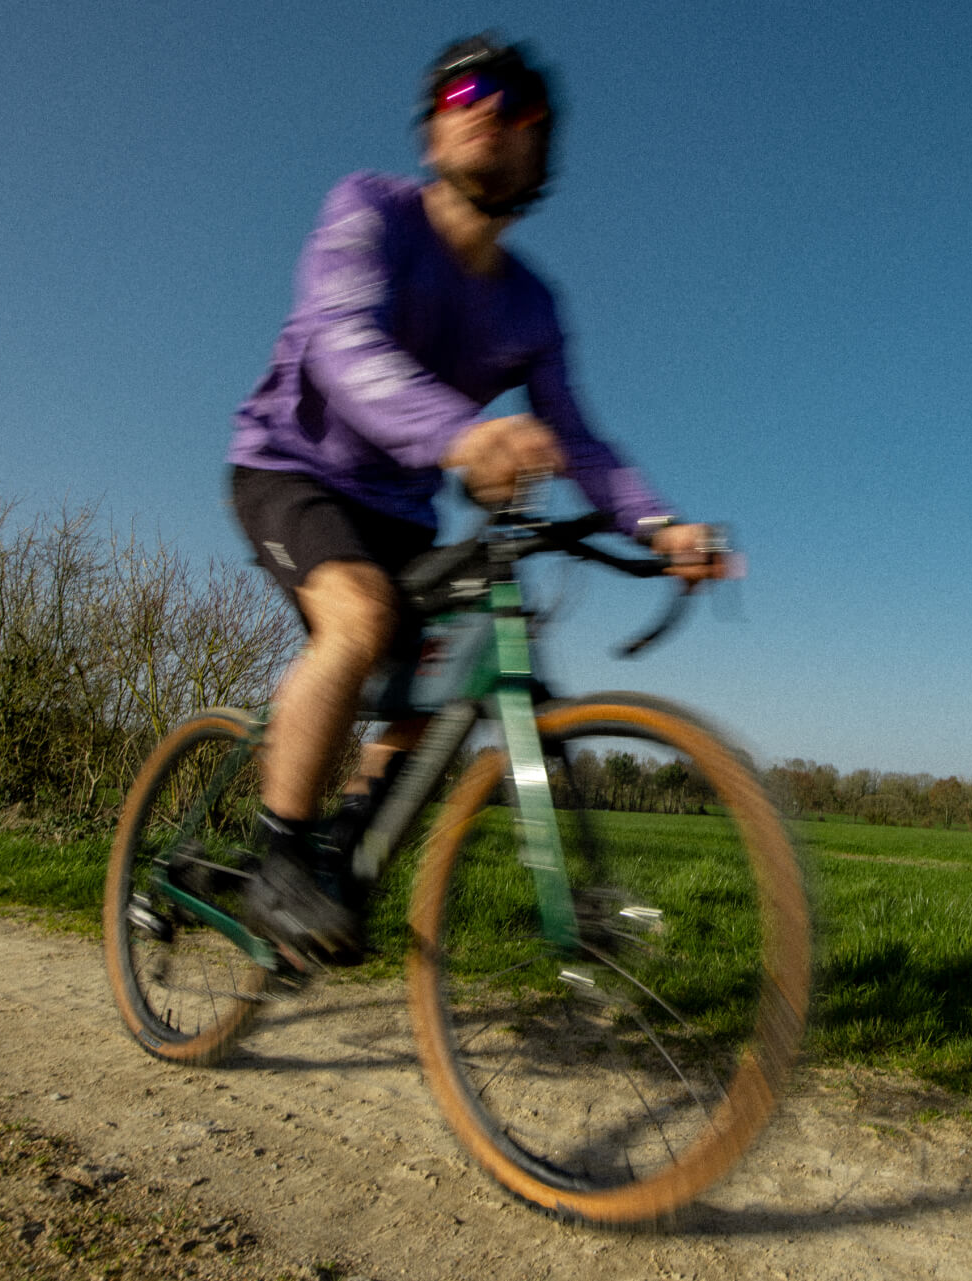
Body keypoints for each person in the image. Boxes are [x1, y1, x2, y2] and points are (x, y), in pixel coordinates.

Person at [225, 33, 727, 966]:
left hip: (402, 510)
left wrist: (660, 524)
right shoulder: (366, 209)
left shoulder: (532, 305)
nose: (494, 106)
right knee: (361, 616)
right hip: (290, 468)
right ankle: (278, 858)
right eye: (468, 89)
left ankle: (341, 857)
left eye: (524, 104)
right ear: (432, 130)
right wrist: (463, 436)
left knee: (443, 680)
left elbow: (579, 439)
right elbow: (344, 348)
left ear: (543, 152)